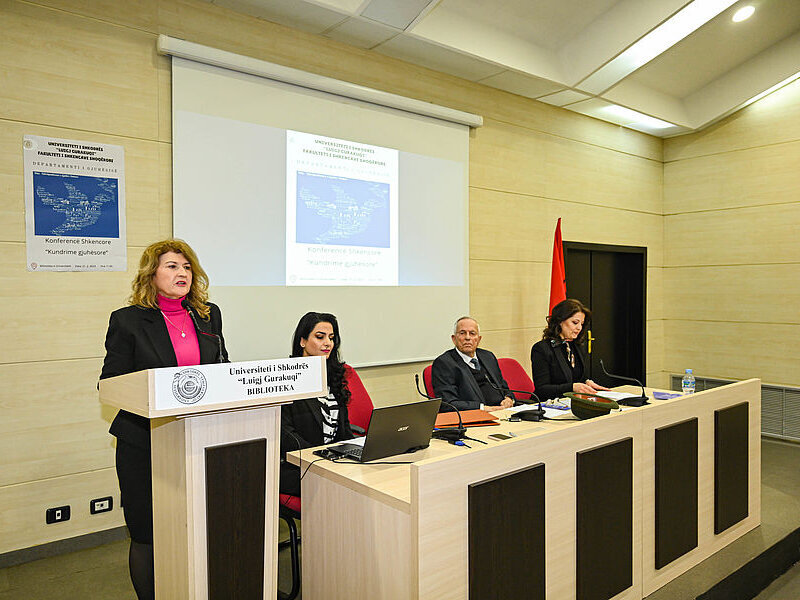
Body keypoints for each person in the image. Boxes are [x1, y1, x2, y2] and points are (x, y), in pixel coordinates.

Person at [99, 239, 228, 600]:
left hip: (198, 438)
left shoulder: (208, 315)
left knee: (195, 526)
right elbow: (110, 383)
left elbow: (221, 367)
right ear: (151, 274)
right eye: (172, 266)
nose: (182, 273)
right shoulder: (127, 321)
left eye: (187, 267)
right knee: (147, 533)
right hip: (144, 442)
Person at [280, 312, 354, 498]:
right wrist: (321, 458)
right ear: (302, 341)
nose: (328, 343)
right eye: (320, 337)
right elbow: (286, 436)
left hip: (334, 463)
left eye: (331, 338)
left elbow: (344, 430)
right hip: (300, 467)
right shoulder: (287, 378)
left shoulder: (334, 376)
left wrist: (357, 452)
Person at [431, 316, 515, 411]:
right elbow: (448, 403)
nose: (467, 338)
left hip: (503, 411)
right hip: (477, 415)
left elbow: (504, 387)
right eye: (462, 333)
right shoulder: (444, 363)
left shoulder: (488, 356)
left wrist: (509, 398)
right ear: (454, 339)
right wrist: (482, 408)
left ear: (479, 339)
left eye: (472, 333)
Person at [530, 298, 609, 400]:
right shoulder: (541, 349)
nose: (579, 328)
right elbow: (542, 389)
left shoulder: (576, 345)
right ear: (560, 321)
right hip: (548, 404)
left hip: (573, 402)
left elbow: (577, 377)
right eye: (575, 322)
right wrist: (572, 387)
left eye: (582, 324)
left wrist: (587, 383)